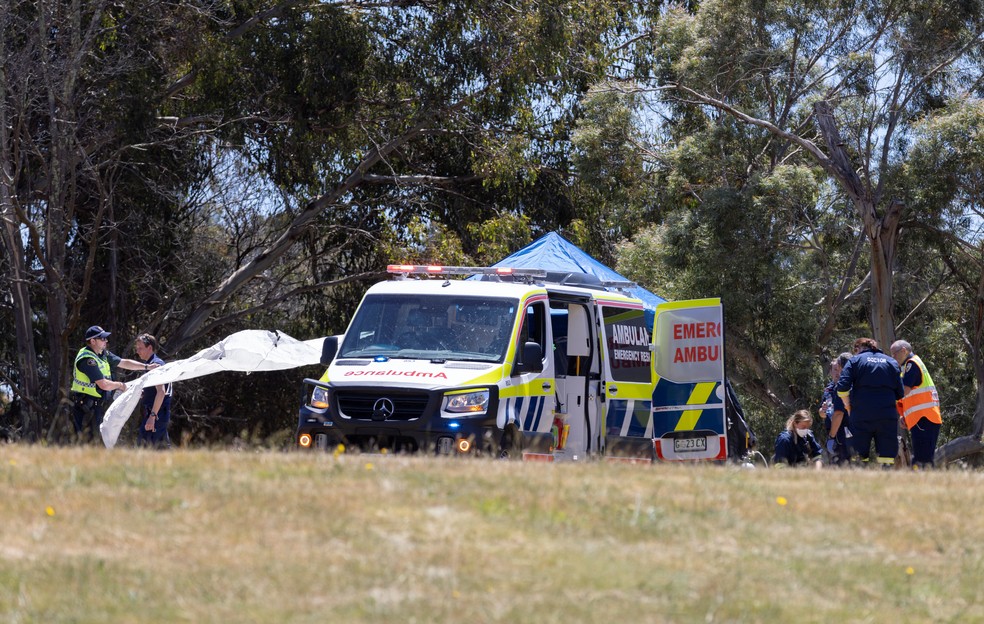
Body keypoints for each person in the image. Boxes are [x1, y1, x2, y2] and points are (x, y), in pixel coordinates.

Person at [71, 325, 157, 443]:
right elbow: (103, 385)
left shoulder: (103, 354)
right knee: (84, 443)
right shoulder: (87, 359)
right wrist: (120, 386)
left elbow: (124, 363)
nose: (106, 341)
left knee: (95, 442)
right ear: (92, 341)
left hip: (96, 406)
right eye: (102, 339)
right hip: (85, 408)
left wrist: (147, 367)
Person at [836, 337, 904, 467]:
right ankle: (886, 482)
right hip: (887, 415)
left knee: (859, 457)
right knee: (887, 457)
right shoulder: (892, 362)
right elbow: (900, 393)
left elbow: (842, 387)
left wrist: (848, 406)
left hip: (861, 415)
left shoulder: (855, 360)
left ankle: (861, 483)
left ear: (858, 348)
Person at [890, 340, 941, 469]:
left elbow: (904, 391)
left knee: (921, 459)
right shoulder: (911, 365)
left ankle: (924, 485)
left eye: (894, 354)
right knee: (923, 458)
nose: (893, 357)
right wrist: (904, 416)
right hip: (923, 419)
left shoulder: (911, 364)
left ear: (903, 350)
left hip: (924, 418)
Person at [133, 333, 172, 449]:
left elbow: (161, 392)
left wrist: (152, 416)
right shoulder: (149, 364)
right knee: (159, 449)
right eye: (137, 348)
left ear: (149, 348)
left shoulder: (156, 365)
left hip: (156, 415)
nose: (137, 351)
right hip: (155, 414)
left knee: (146, 449)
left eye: (140, 348)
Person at [819, 352, 853, 465]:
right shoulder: (828, 389)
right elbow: (822, 413)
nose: (837, 372)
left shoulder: (846, 386)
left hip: (845, 431)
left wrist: (832, 436)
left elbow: (839, 413)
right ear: (830, 372)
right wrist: (822, 411)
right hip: (832, 431)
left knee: (846, 463)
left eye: (839, 369)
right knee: (835, 464)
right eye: (834, 369)